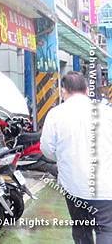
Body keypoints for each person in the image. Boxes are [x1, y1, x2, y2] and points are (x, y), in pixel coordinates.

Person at [41, 71, 112, 244]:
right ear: (87, 90)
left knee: (81, 229)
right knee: (106, 229)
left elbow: (47, 150)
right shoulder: (106, 112)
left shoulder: (55, 114)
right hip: (105, 186)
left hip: (74, 186)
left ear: (63, 91)